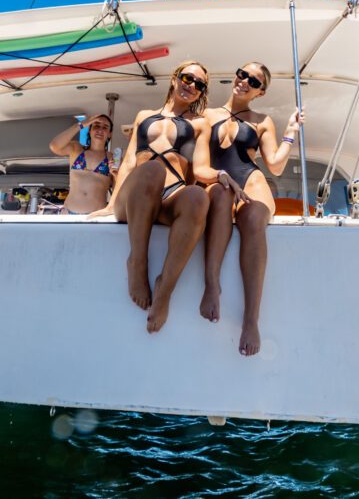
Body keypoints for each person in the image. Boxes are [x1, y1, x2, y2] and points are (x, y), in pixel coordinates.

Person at [94, 61, 235, 334]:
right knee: (150, 169)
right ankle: (138, 261)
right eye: (187, 78)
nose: (191, 85)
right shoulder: (144, 115)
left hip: (171, 196)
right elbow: (128, 162)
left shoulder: (200, 124)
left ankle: (165, 289)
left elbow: (201, 168)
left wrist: (220, 175)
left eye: (199, 84)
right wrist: (110, 204)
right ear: (174, 79)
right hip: (135, 198)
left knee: (196, 196)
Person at [201, 62, 305, 356]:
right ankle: (212, 285)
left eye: (255, 82)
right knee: (219, 197)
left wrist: (290, 132)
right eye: (242, 74)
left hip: (250, 177)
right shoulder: (206, 115)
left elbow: (275, 164)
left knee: (254, 215)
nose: (245, 81)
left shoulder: (262, 120)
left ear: (261, 92)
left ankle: (251, 320)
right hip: (219, 181)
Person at [49, 114, 114, 214]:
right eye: (96, 125)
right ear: (90, 130)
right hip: (69, 213)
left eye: (105, 127)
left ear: (110, 134)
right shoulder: (76, 149)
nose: (100, 130)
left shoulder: (112, 159)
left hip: (96, 217)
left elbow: (118, 188)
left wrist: (116, 173)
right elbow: (54, 146)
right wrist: (80, 125)